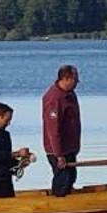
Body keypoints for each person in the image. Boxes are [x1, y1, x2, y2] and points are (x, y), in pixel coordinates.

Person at [42, 64, 82, 196]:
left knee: (71, 178)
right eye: (75, 81)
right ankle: (55, 207)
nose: (76, 84)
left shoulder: (70, 95)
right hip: (58, 150)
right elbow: (53, 130)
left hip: (70, 148)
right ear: (66, 78)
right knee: (62, 181)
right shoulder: (54, 98)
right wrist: (59, 155)